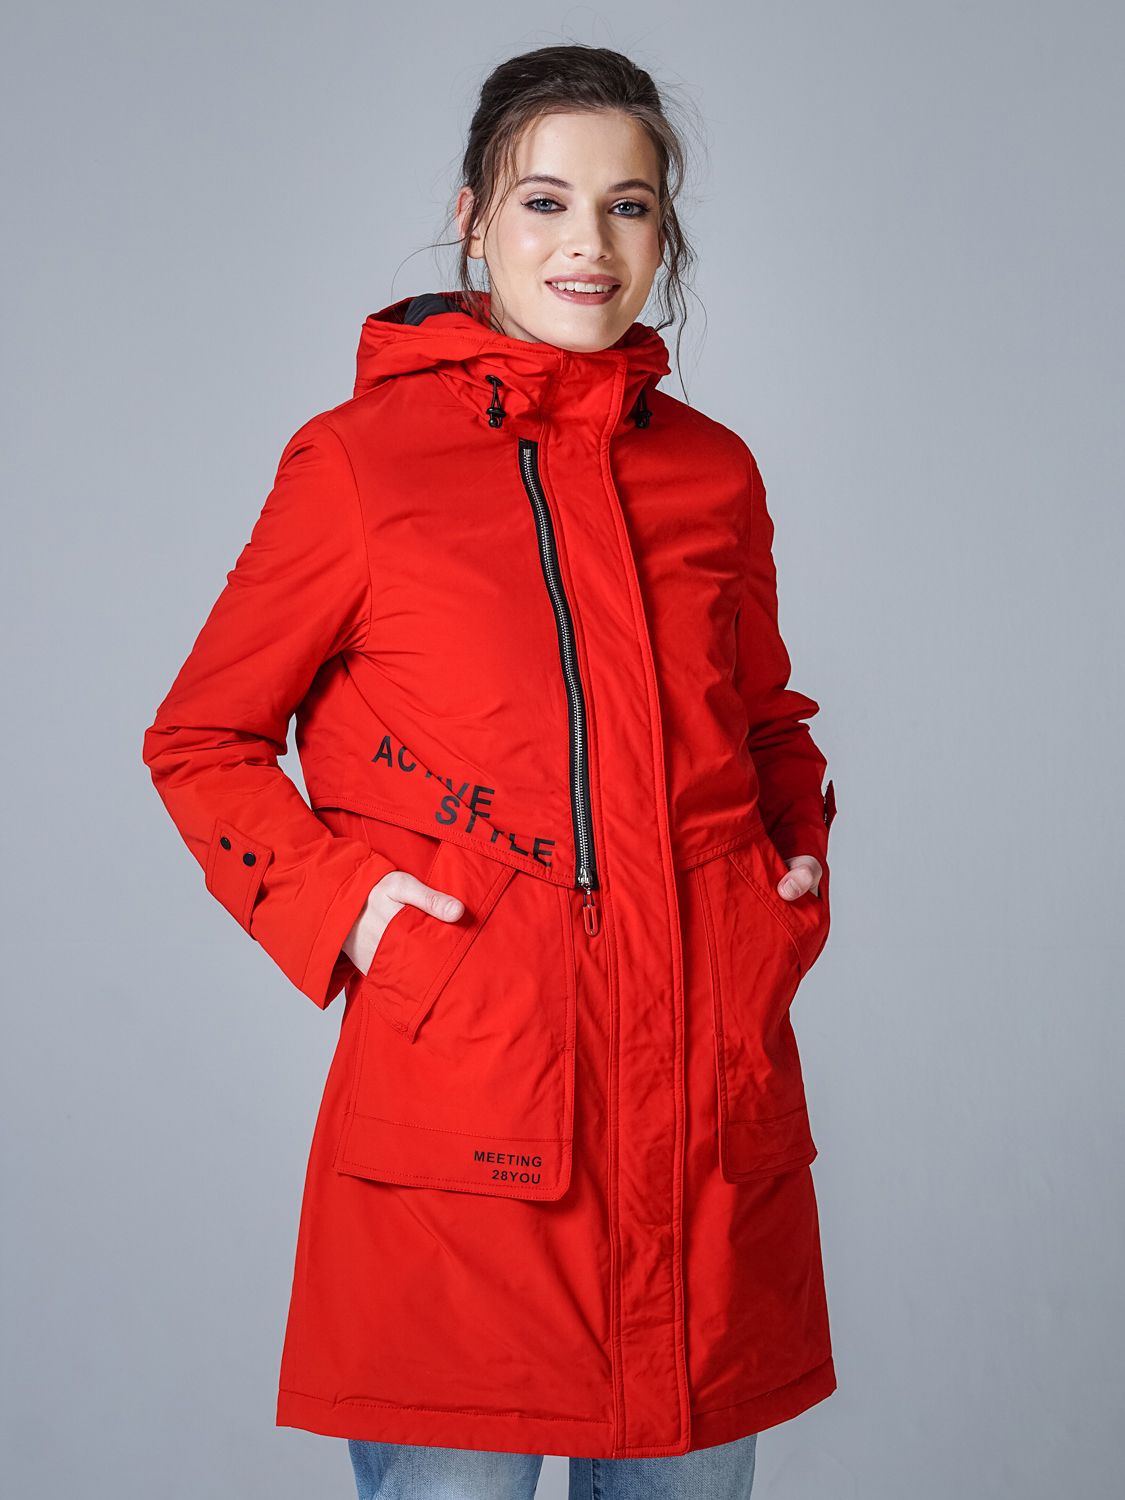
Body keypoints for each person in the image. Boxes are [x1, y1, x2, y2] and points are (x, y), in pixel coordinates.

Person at [141, 41, 838, 1500]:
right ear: (472, 221)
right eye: (545, 201)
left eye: (629, 206)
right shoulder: (359, 465)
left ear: (664, 233)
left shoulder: (712, 471)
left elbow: (763, 714)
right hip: (475, 1110)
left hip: (702, 1117)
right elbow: (201, 740)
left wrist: (783, 883)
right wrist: (355, 914)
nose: (589, 244)